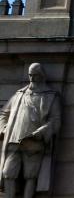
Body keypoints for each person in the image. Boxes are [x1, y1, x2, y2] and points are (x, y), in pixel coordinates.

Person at [0, 63, 61, 198]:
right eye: (30, 75)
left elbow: (55, 121)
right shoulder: (19, 94)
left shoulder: (51, 96)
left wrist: (42, 131)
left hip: (34, 142)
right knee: (8, 172)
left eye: (35, 76)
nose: (32, 79)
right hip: (14, 139)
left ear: (42, 76)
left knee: (31, 175)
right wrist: (3, 128)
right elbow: (3, 114)